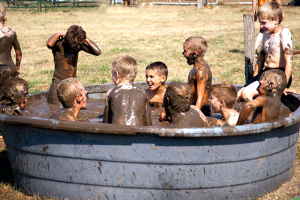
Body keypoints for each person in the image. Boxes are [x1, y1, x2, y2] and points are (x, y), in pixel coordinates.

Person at [238, 1, 293, 102]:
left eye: (264, 22)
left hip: (278, 75)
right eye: (260, 23)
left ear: (276, 20)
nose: (261, 26)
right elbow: (260, 59)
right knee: (238, 94)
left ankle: (255, 114)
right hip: (264, 73)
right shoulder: (266, 34)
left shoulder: (283, 34)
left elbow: (289, 62)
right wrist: (253, 79)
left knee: (246, 93)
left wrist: (283, 84)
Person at [46, 25, 101, 105]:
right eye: (71, 47)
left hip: (73, 84)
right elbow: (49, 44)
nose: (72, 50)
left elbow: (97, 52)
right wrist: (57, 34)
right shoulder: (59, 44)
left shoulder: (78, 45)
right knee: (54, 108)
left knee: (76, 108)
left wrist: (85, 39)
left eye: (74, 49)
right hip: (58, 83)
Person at [103, 54, 152, 126]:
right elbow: (148, 123)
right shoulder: (143, 92)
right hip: (138, 133)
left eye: (112, 73)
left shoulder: (111, 93)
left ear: (117, 74)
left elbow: (105, 123)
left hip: (118, 133)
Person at [183, 36, 212, 116]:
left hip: (202, 109)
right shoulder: (195, 68)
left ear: (194, 53)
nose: (183, 54)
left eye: (185, 51)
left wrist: (194, 116)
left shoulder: (201, 71)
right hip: (194, 106)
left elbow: (200, 98)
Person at [0, 5, 22, 88]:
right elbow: (18, 53)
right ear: (5, 18)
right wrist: (17, 68)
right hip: (10, 68)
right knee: (9, 94)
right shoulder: (11, 32)